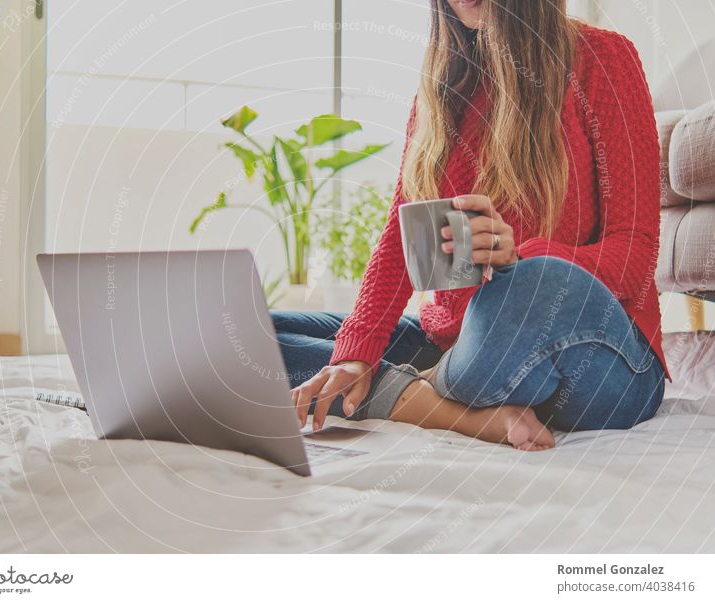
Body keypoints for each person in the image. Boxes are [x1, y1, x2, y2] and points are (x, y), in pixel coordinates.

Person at [272, 0, 668, 451]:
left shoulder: (603, 58)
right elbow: (400, 241)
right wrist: (355, 356)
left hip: (602, 360)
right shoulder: (441, 88)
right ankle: (442, 406)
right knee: (255, 336)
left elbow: (635, 253)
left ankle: (429, 387)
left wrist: (519, 256)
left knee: (530, 286)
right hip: (459, 345)